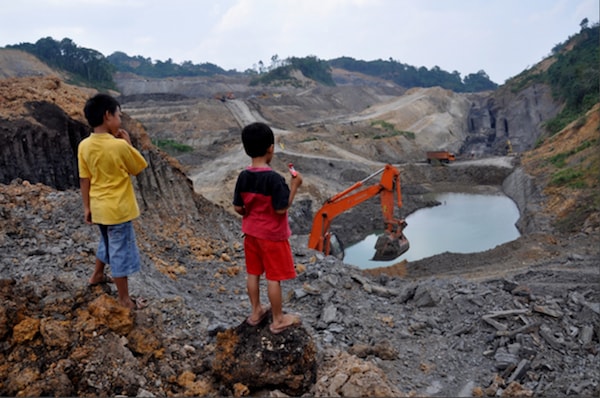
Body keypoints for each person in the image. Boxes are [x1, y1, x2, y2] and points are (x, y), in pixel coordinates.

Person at [78, 93, 149, 310]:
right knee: (120, 251)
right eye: (118, 115)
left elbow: (84, 178)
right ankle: (125, 300)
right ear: (108, 116)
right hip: (118, 210)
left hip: (99, 209)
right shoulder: (118, 146)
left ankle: (97, 275)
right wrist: (127, 143)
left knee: (107, 242)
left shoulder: (84, 146)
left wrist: (87, 207)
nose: (120, 120)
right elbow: (138, 168)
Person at [233, 122, 303, 334]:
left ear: (246, 149)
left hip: (251, 235)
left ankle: (255, 312)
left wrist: (249, 215)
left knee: (253, 273)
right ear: (271, 148)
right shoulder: (274, 179)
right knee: (273, 278)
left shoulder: (243, 176)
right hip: (272, 237)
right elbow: (281, 209)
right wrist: (294, 187)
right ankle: (278, 319)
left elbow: (238, 207)